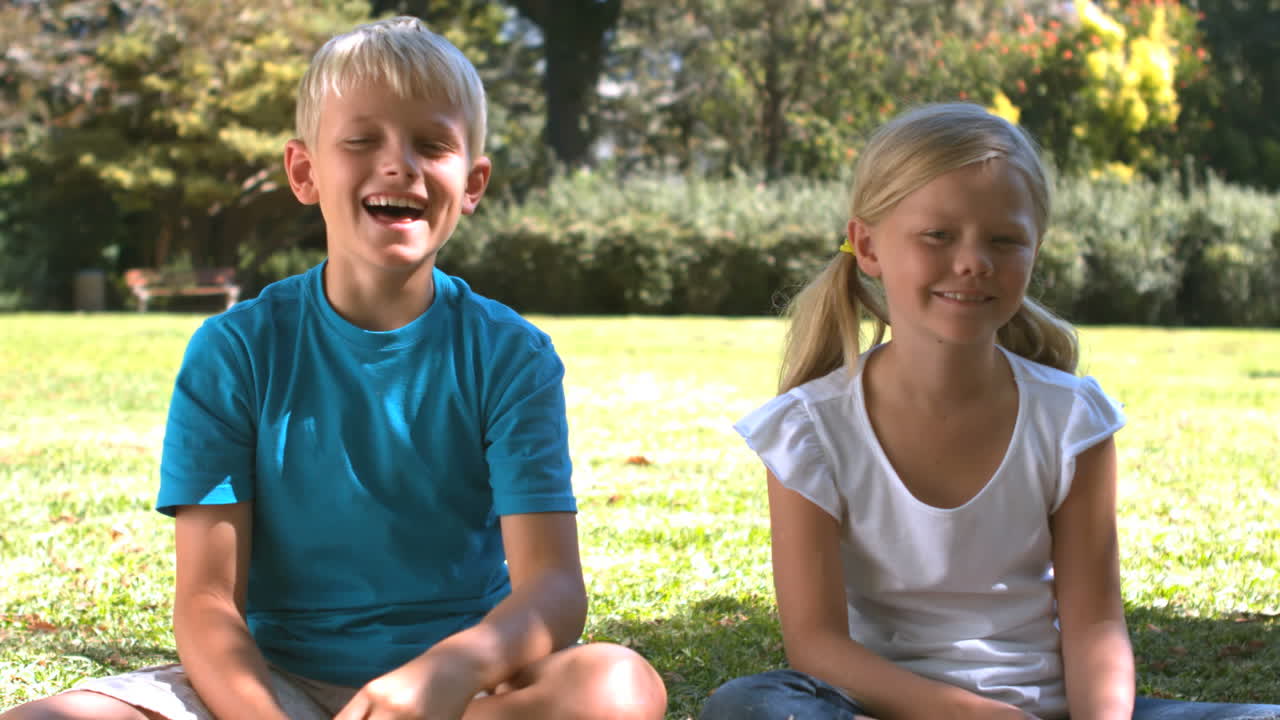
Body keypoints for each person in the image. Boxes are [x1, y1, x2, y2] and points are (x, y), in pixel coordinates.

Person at [1, 16, 666, 720]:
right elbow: (207, 600)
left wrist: (443, 674)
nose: (398, 164)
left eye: (432, 145)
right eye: (361, 140)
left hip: (456, 694)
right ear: (304, 171)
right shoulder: (236, 350)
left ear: (472, 184)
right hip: (267, 684)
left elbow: (553, 588)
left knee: (619, 687)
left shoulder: (510, 355)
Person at [698, 103, 1280, 720]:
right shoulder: (808, 430)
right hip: (886, 713)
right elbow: (816, 647)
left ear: (1034, 251)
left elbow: (1098, 629)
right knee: (752, 705)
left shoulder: (1071, 420)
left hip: (1052, 711)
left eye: (1004, 240)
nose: (974, 261)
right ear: (867, 246)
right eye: (938, 236)